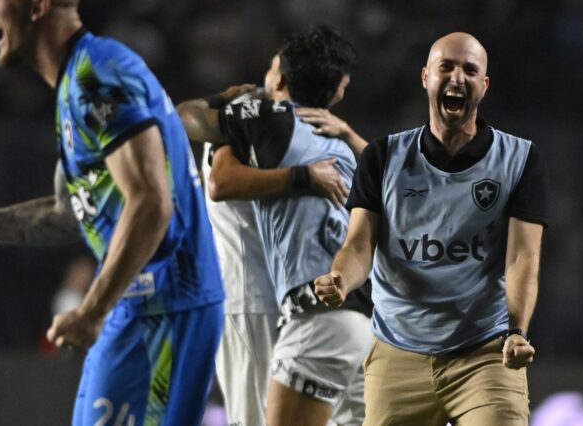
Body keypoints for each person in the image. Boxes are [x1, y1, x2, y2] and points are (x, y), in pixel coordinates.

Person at [0, 0, 224, 425]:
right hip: (140, 306)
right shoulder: (79, 81)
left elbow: (151, 202)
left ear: (36, 7)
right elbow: (67, 214)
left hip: (161, 311)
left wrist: (91, 310)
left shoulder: (98, 76)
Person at [314, 32, 548, 426]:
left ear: (484, 86)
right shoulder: (383, 156)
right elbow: (359, 245)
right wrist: (341, 279)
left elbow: (524, 256)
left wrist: (518, 330)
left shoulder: (520, 159)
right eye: (447, 67)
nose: (458, 77)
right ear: (426, 77)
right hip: (397, 352)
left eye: (470, 70)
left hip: (484, 354)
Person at [178, 25, 372, 426]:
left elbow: (215, 176)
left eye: (271, 68)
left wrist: (222, 100)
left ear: (281, 78)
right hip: (347, 306)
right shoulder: (334, 139)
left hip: (262, 299)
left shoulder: (251, 122)